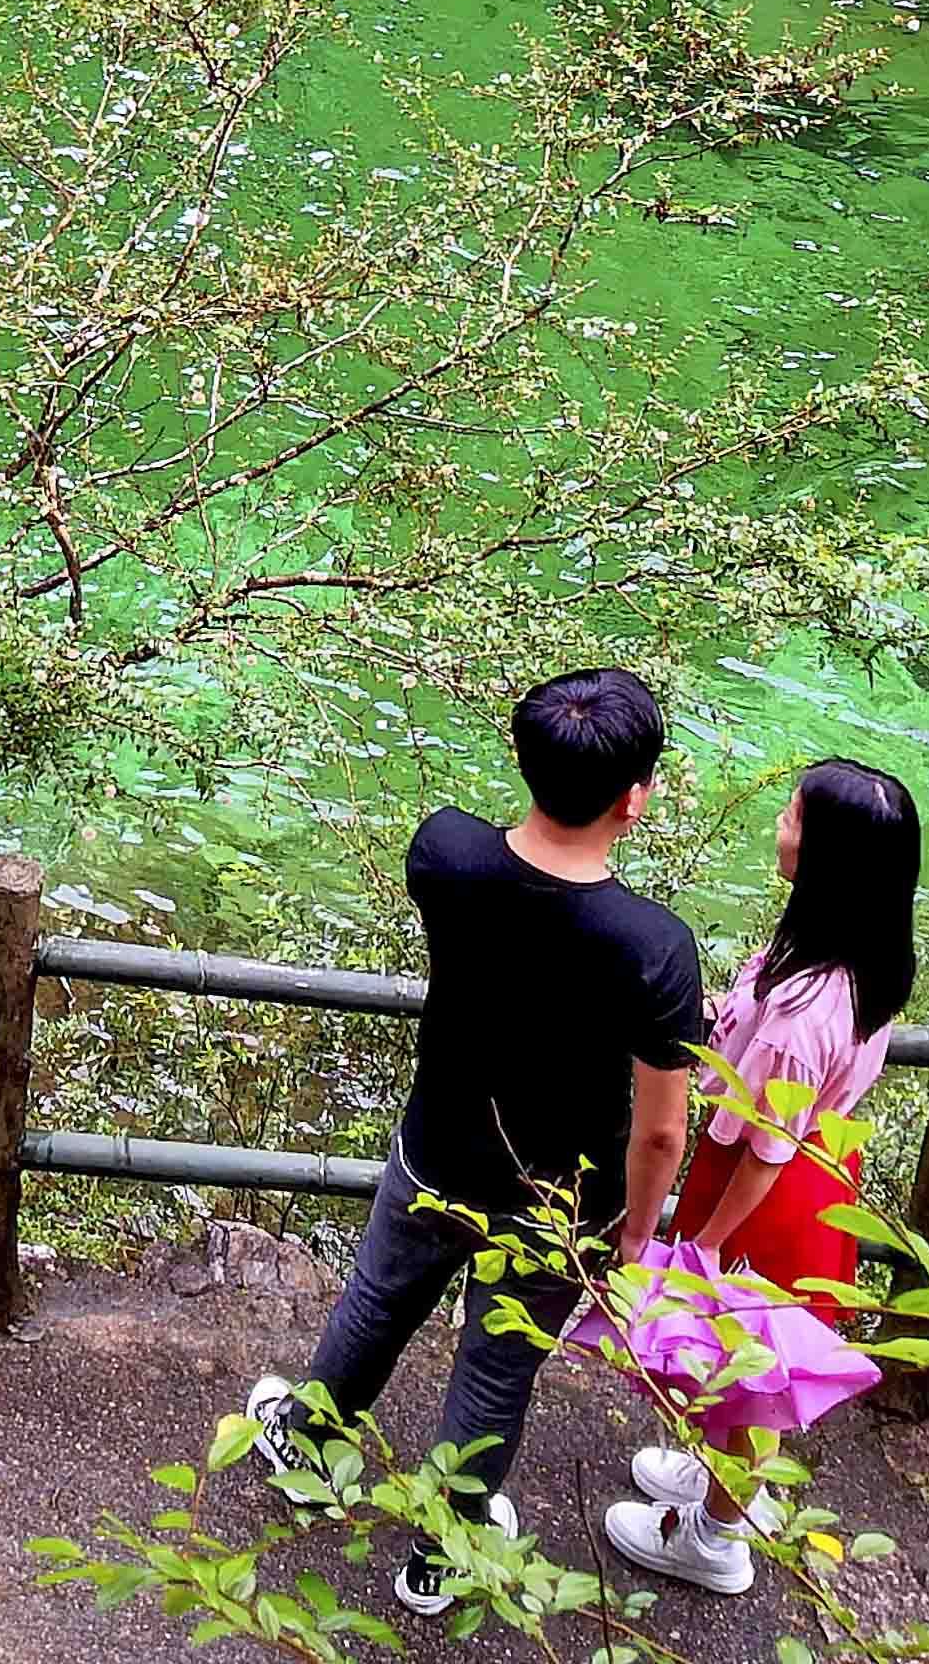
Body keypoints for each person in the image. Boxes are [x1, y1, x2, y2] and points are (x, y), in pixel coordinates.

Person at [246, 668, 704, 1619]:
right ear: (636, 799)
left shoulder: (446, 852)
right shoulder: (654, 946)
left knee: (376, 1305)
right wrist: (634, 1235)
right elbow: (661, 1128)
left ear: (522, 760)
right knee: (496, 1370)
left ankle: (306, 1447)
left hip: (439, 1149)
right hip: (561, 1203)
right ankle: (441, 1556)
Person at [604, 756, 922, 1598]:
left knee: (744, 1362)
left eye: (792, 820)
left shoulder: (805, 1011)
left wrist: (702, 1246)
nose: (778, 829)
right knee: (748, 1364)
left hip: (763, 1197)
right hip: (816, 1179)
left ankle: (713, 1537)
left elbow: (767, 1148)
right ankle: (717, 1484)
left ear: (827, 860)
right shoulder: (851, 957)